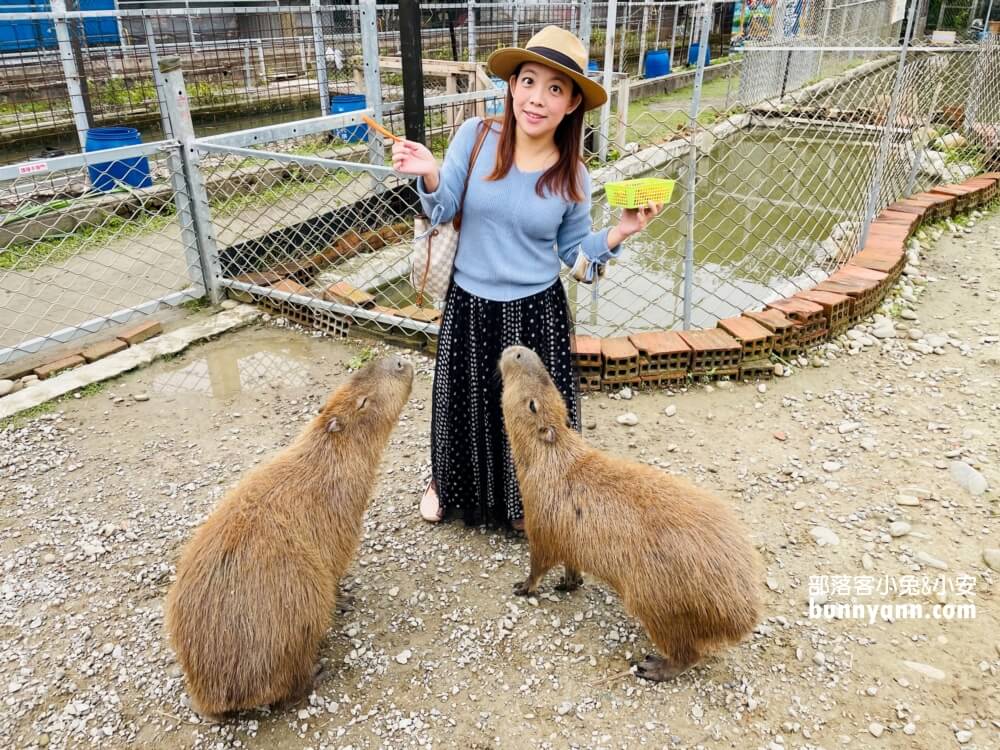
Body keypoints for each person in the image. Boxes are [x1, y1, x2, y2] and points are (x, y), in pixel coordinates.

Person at [391, 26, 662, 530]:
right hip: (470, 304)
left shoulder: (573, 173)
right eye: (529, 81)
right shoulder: (475, 137)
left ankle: (528, 501)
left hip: (536, 313)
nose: (537, 99)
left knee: (535, 419)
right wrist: (429, 172)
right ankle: (446, 482)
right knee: (463, 405)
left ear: (572, 103)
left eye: (555, 89)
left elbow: (574, 257)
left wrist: (619, 232)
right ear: (512, 85)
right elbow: (444, 206)